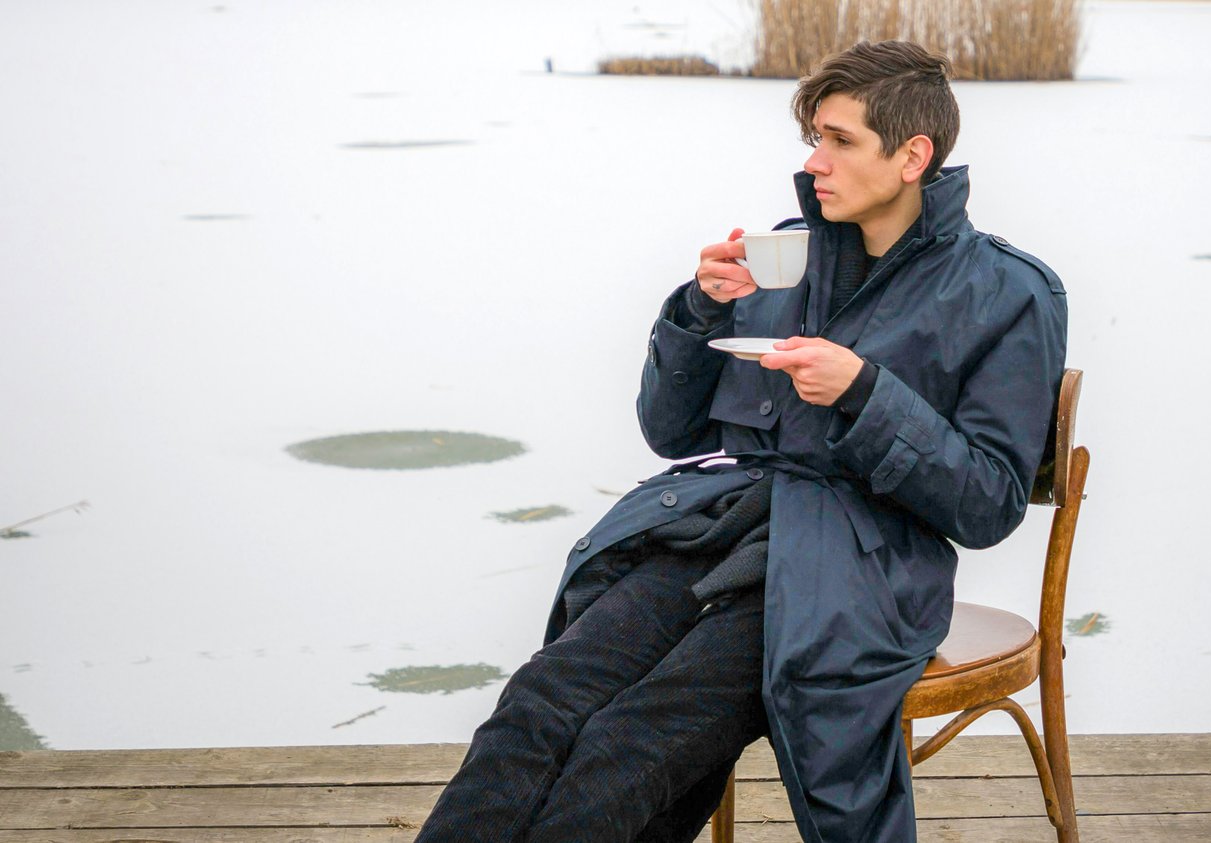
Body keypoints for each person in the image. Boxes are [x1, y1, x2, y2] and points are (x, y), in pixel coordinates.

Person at [415, 39, 1067, 843]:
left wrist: (864, 393)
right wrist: (698, 313)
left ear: (913, 155)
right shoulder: (787, 256)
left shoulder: (1007, 294)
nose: (816, 161)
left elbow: (990, 501)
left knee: (630, 743)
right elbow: (672, 432)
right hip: (719, 531)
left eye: (840, 139)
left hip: (858, 572)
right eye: (813, 140)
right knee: (536, 708)